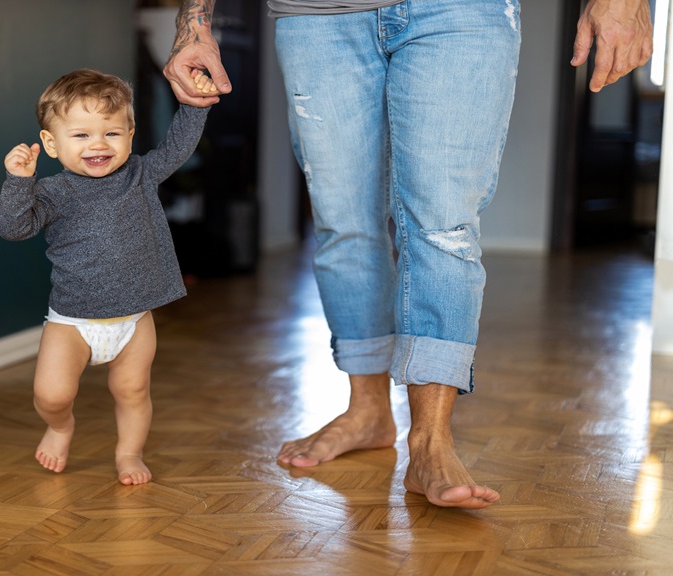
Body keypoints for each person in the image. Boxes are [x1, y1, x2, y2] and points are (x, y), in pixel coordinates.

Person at [164, 0, 652, 508]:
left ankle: (431, 442)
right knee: (342, 222)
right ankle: (369, 411)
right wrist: (193, 20)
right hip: (316, 15)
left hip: (462, 11)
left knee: (443, 226)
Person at [0, 68, 216, 485]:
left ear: (131, 135)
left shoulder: (140, 175)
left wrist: (194, 105)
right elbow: (13, 227)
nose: (98, 144)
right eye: (80, 135)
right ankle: (61, 427)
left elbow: (179, 145)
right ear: (51, 144)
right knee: (52, 395)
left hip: (134, 318)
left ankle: (129, 453)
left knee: (132, 392)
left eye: (112, 133)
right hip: (73, 321)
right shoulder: (52, 193)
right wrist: (18, 181)